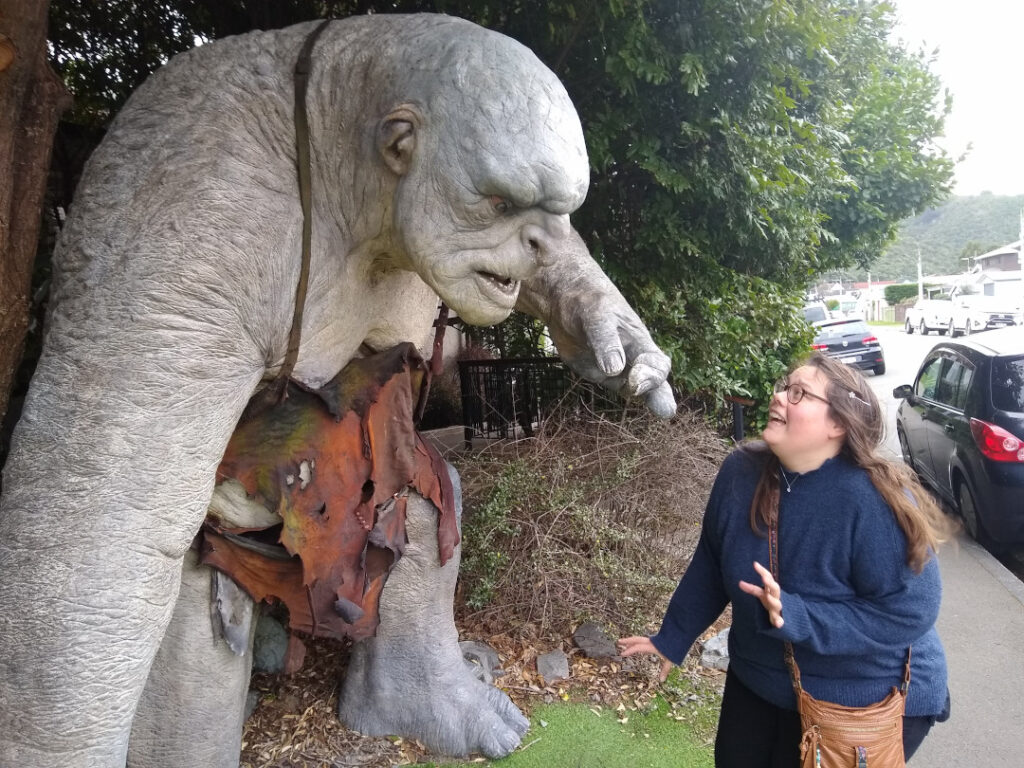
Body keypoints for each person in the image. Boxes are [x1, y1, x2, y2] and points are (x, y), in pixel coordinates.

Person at [618, 353, 952, 767]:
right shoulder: (741, 471)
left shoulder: (874, 501)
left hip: (862, 695)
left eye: (798, 393)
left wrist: (798, 616)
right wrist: (672, 637)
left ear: (838, 424)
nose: (778, 397)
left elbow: (910, 612)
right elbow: (711, 559)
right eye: (783, 387)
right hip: (760, 676)